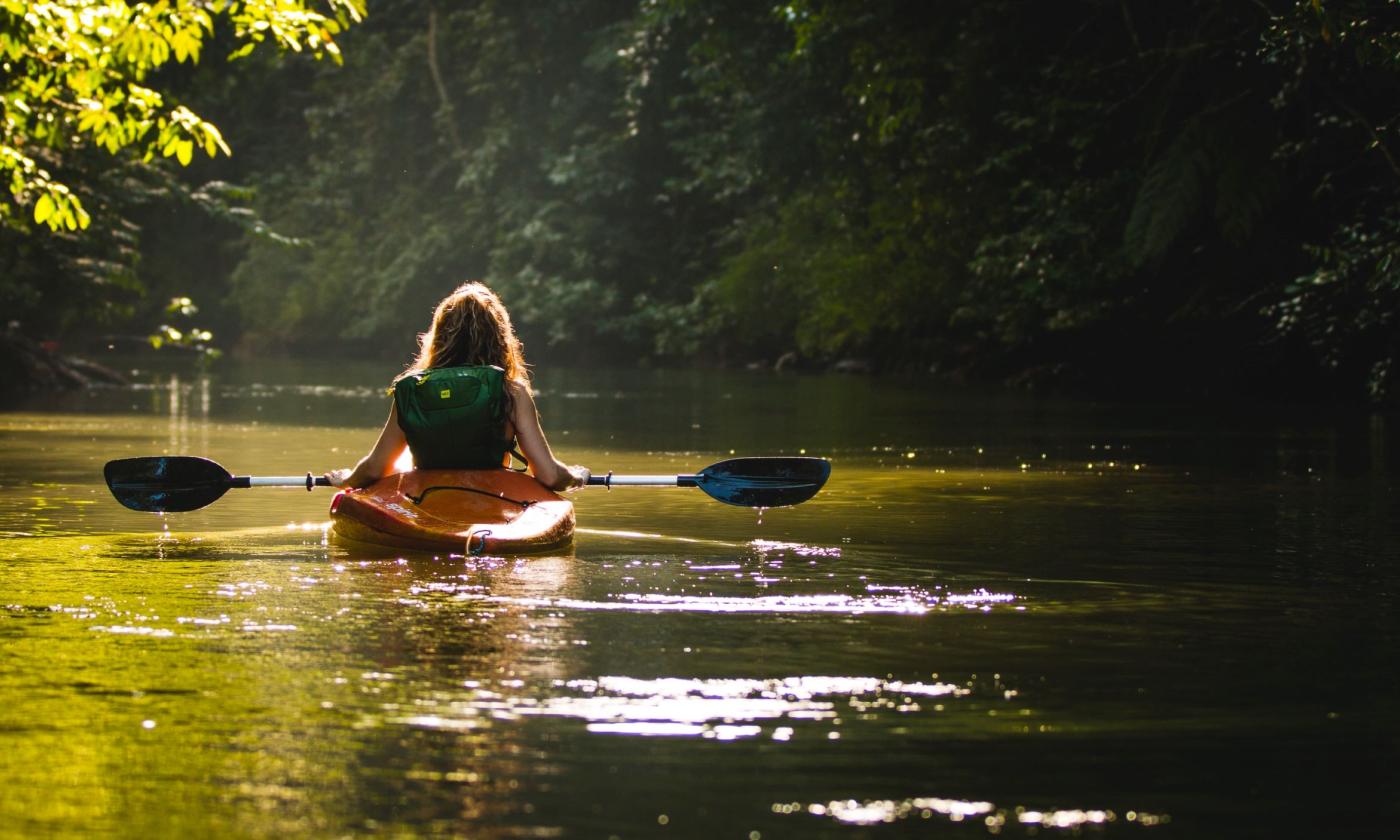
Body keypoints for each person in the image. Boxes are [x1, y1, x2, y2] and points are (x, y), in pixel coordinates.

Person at [325, 282, 590, 492]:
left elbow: (374, 469)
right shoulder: (512, 392)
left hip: (426, 499)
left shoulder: (414, 390)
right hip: (493, 499)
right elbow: (550, 475)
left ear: (439, 336)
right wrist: (576, 476)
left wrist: (347, 479)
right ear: (500, 338)